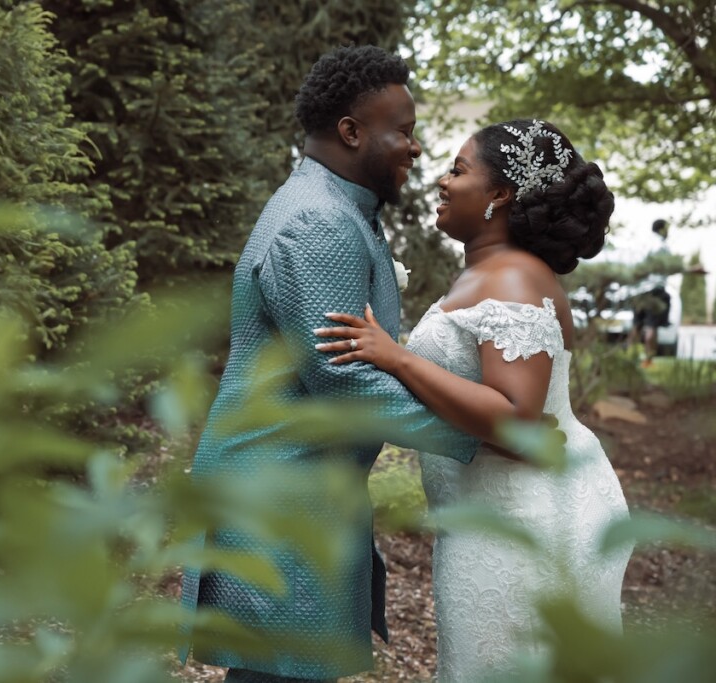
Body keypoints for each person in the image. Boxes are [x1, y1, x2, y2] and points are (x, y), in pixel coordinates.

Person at [178, 46, 479, 682]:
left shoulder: (336, 208)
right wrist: (486, 434)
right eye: (405, 131)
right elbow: (345, 380)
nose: (415, 148)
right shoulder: (318, 221)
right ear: (351, 131)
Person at [315, 119, 632, 681]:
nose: (442, 180)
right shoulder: (490, 271)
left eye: (458, 170)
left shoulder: (511, 280)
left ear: (501, 195)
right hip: (492, 508)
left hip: (528, 520)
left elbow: (515, 423)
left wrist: (397, 357)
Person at [629, 219, 673, 366]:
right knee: (652, 326)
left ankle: (630, 358)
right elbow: (668, 268)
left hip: (638, 290)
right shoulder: (662, 246)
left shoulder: (643, 245)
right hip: (655, 289)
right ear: (662, 229)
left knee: (636, 325)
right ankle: (648, 360)